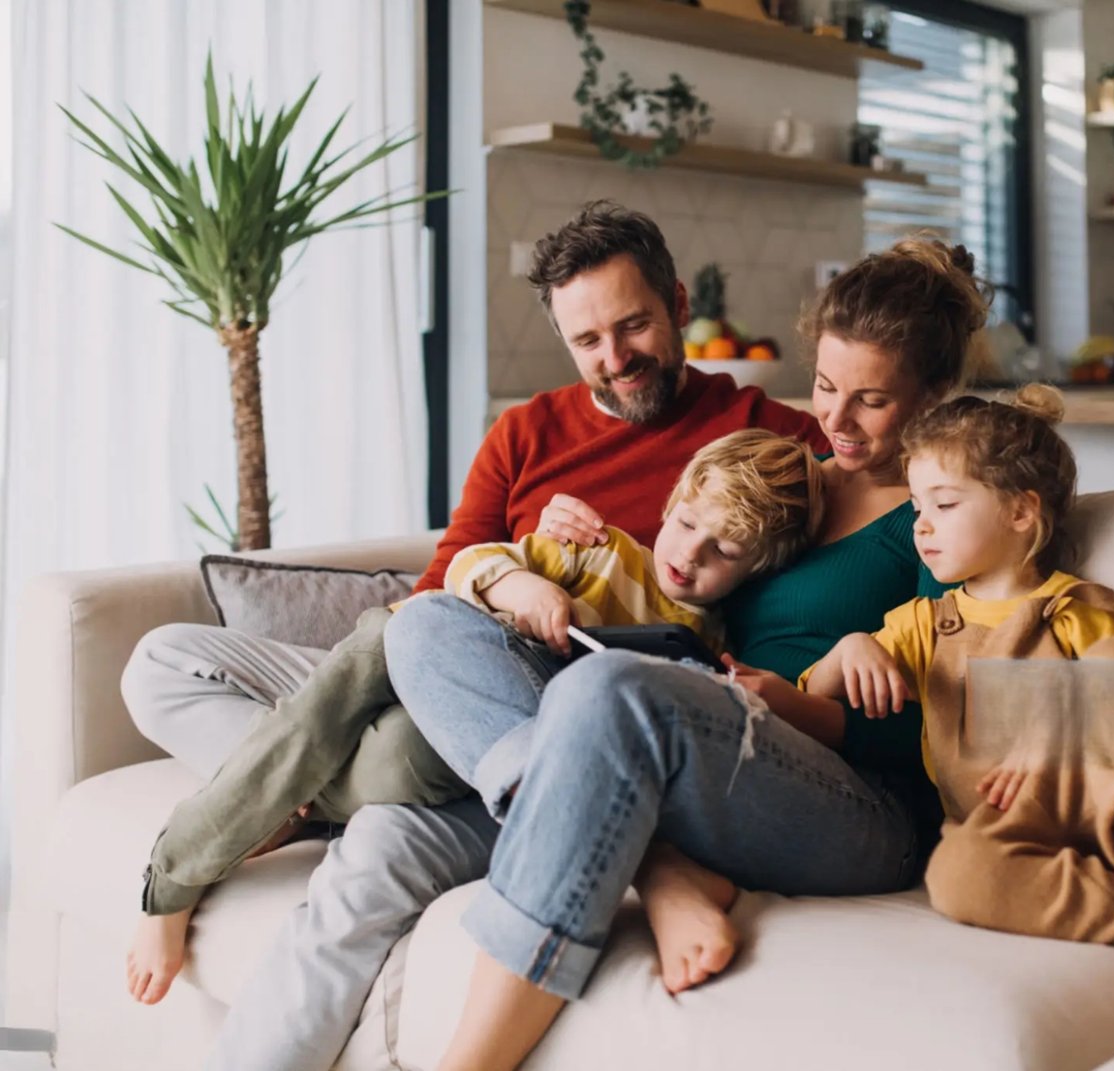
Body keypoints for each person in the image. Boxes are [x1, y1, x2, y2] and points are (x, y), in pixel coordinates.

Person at [118, 200, 826, 1068]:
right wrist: (517, 574)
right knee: (165, 660)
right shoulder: (526, 432)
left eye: (634, 325)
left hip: (567, 738)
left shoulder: (768, 441)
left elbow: (850, 543)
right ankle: (301, 786)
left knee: (367, 862)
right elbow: (431, 603)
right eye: (588, 341)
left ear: (678, 304)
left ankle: (295, 789)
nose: (615, 359)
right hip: (452, 676)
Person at [380, 235, 990, 1071]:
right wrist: (566, 559)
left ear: (933, 394)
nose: (835, 423)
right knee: (423, 626)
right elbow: (686, 583)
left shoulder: (943, 514)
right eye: (822, 387)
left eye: (871, 402)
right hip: (711, 742)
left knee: (608, 690)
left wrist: (802, 702)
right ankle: (661, 866)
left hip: (861, 805)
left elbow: (957, 736)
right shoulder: (790, 477)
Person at [123, 428, 822, 1005]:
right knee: (164, 660)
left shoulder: (708, 656)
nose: (689, 554)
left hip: (453, 734)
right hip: (394, 648)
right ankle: (219, 842)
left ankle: (255, 811)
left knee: (400, 753)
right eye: (687, 524)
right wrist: (522, 583)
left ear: (758, 567)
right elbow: (470, 564)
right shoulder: (600, 549)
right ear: (671, 502)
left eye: (723, 551)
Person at [801, 386, 1114, 979]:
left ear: (1020, 512)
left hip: (1111, 804)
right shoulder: (925, 625)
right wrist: (850, 647)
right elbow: (815, 692)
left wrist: (1053, 729)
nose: (923, 527)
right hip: (1006, 828)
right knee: (954, 876)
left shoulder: (1074, 606)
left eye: (945, 505)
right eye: (917, 508)